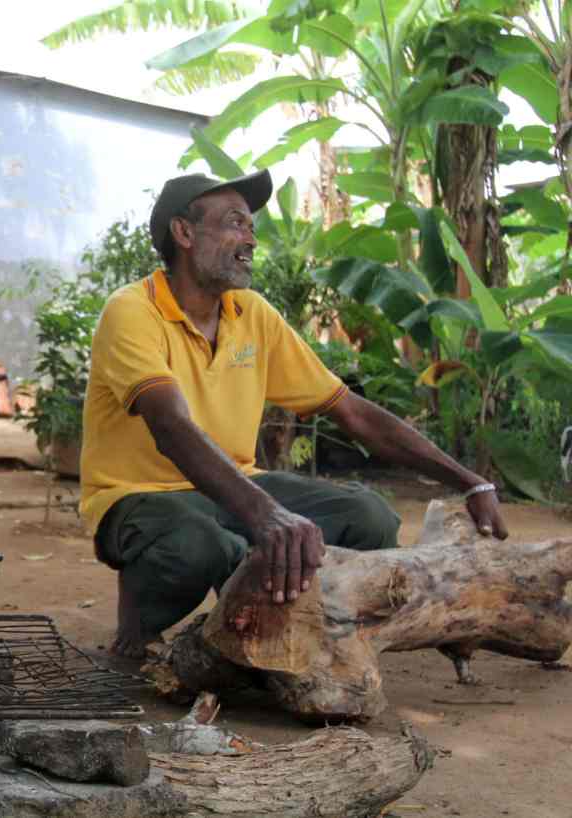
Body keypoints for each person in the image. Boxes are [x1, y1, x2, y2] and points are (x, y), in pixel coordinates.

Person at [80, 169, 510, 658]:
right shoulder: (132, 311)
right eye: (235, 223)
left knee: (368, 516)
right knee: (197, 545)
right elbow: (171, 426)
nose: (250, 239)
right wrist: (267, 515)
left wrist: (469, 481)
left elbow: (351, 412)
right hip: (138, 497)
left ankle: (272, 625)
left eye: (251, 227)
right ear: (183, 232)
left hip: (235, 484)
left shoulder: (252, 314)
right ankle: (138, 627)